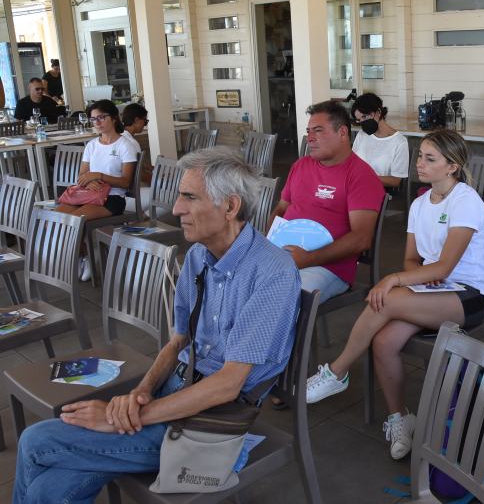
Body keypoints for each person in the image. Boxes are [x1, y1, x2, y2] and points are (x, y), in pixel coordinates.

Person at [13, 147, 302, 504]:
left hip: (209, 425)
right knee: (48, 490)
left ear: (230, 207)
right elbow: (177, 340)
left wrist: (121, 419)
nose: (177, 208)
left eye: (189, 197)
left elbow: (228, 385)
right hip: (171, 394)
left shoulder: (271, 272)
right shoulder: (198, 256)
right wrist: (141, 392)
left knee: (36, 441)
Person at [304, 129, 484, 460]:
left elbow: (445, 267)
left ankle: (337, 371)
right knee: (383, 341)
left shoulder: (466, 200)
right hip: (430, 289)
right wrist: (413, 277)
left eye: (429, 159)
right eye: (420, 155)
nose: (419, 163)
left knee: (386, 297)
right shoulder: (420, 204)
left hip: (467, 295)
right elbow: (412, 259)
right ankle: (400, 418)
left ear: (452, 167)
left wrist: (397, 279)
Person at [270, 100, 385, 303]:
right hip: (284, 255)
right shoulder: (301, 165)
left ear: (342, 133)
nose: (310, 138)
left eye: (318, 131)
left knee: (282, 295)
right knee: (234, 278)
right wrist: (269, 243)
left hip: (327, 267)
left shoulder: (360, 175)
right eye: (309, 131)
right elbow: (281, 208)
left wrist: (308, 259)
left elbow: (361, 238)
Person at [55, 100, 137, 282]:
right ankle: (81, 256)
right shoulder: (92, 145)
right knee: (56, 219)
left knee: (76, 220)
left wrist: (98, 176)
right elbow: (83, 175)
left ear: (114, 118)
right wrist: (90, 180)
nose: (97, 123)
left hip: (113, 198)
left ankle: (88, 259)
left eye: (101, 117)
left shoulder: (125, 145)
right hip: (89, 195)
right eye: (93, 119)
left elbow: (125, 182)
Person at [350, 92, 409, 189]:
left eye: (364, 116)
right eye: (359, 120)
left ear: (378, 112)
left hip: (380, 191)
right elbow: (352, 164)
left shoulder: (399, 142)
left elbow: (396, 181)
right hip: (356, 187)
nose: (363, 122)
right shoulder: (362, 135)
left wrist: (366, 177)